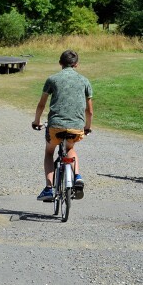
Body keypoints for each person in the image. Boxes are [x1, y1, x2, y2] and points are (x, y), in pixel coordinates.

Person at [31, 49, 93, 202]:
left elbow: (41, 105)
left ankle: (49, 188)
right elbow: (89, 110)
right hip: (76, 126)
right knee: (70, 148)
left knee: (49, 152)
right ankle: (77, 176)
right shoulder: (84, 81)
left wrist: (36, 121)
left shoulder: (52, 79)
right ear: (76, 64)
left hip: (55, 126)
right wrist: (87, 127)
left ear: (60, 63)